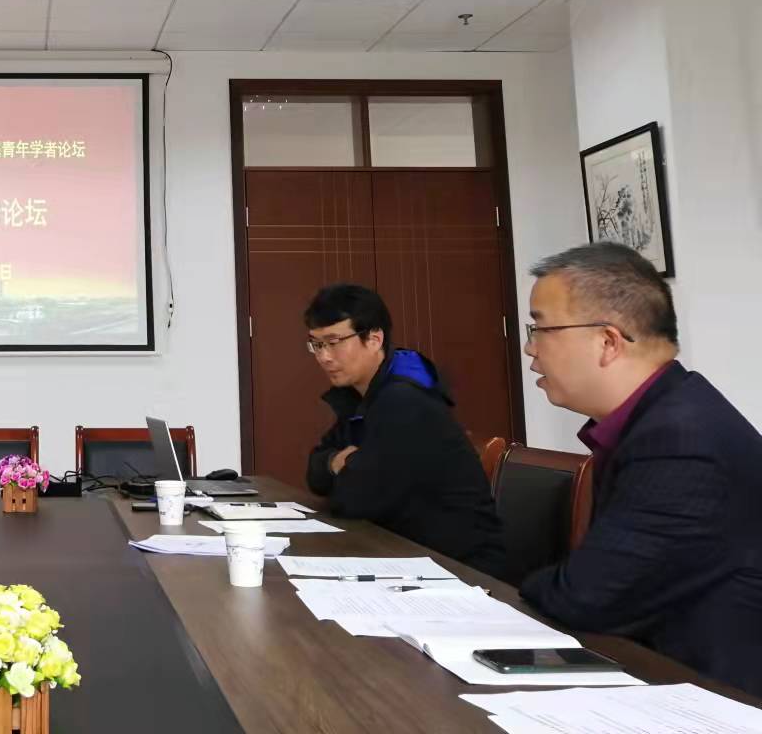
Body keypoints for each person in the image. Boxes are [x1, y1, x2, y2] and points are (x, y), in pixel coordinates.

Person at [519, 243, 762, 696]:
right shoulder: (665, 414)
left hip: (719, 699)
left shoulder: (681, 440)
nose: (531, 349)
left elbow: (583, 597)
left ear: (608, 342)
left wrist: (535, 580)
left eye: (541, 328)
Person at [304, 284, 506, 576]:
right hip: (406, 554)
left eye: (334, 342)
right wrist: (337, 463)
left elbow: (356, 500)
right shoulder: (356, 397)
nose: (324, 356)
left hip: (463, 569)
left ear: (374, 339)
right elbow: (315, 474)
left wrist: (343, 469)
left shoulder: (404, 400)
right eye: (317, 344)